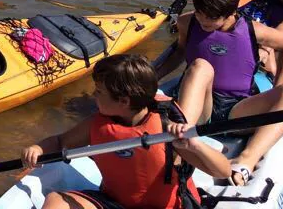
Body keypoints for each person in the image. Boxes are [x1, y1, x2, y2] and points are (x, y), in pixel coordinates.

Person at [21, 54, 231, 209]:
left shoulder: (166, 128)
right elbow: (59, 142)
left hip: (164, 207)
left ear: (123, 101)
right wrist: (38, 148)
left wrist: (195, 145)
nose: (94, 95)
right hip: (116, 203)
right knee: (55, 202)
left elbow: (223, 171)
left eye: (100, 92)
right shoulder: (98, 124)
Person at [158, 0, 283, 185]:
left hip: (237, 109)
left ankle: (247, 158)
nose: (203, 21)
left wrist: (277, 86)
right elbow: (180, 52)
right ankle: (182, 140)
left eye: (211, 17)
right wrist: (155, 78)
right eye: (200, 14)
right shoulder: (187, 22)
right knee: (200, 66)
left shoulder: (254, 30)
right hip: (200, 107)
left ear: (231, 12)